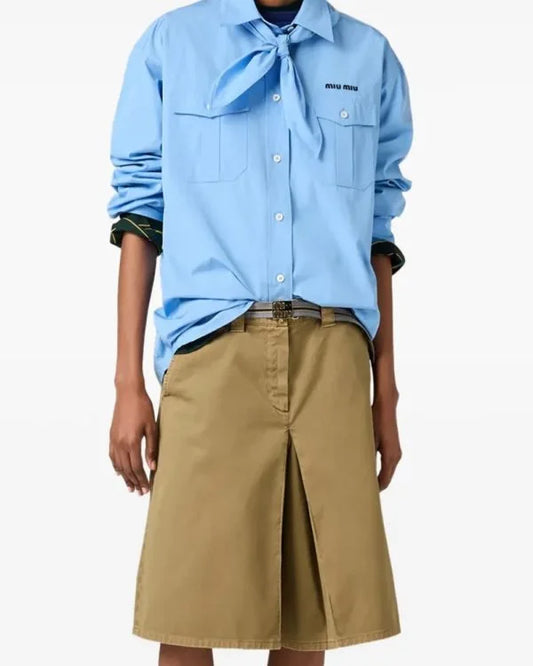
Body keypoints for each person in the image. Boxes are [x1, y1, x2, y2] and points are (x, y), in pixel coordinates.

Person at [107, 0, 413, 664]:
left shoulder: (368, 56)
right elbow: (140, 213)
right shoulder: (172, 45)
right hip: (211, 352)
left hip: (332, 357)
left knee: (307, 619)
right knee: (187, 612)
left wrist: (384, 393)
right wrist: (128, 383)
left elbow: (376, 231)